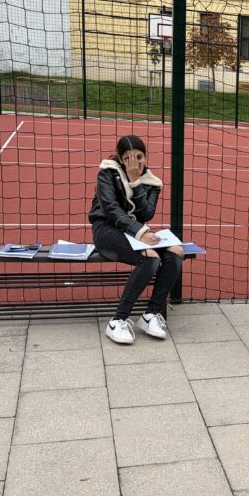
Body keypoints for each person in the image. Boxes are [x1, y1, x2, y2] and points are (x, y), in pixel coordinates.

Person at [89, 134, 183, 344]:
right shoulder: (107, 173)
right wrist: (141, 233)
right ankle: (117, 321)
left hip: (135, 231)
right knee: (150, 257)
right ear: (120, 159)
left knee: (176, 251)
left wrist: (135, 182)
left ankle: (150, 315)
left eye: (139, 157)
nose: (135, 163)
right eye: (128, 158)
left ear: (146, 156)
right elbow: (111, 210)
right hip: (106, 230)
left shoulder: (152, 182)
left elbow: (146, 213)